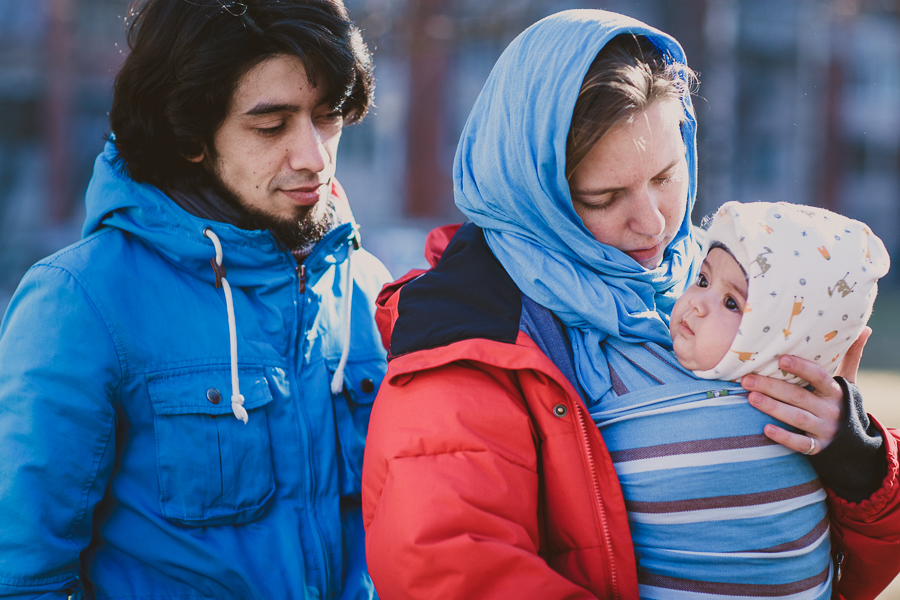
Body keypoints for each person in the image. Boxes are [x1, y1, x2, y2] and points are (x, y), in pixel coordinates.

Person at [361, 9, 900, 600]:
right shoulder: (467, 337)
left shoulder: (727, 276)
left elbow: (825, 554)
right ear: (532, 191)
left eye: (667, 176)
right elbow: (453, 572)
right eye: (605, 196)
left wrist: (859, 461)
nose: (652, 225)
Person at [0, 0, 389, 598]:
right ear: (189, 137)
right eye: (271, 126)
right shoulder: (83, 301)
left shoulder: (365, 286)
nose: (314, 157)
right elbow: (21, 576)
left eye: (328, 116)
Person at [589, 200, 890, 596]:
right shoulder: (630, 362)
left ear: (787, 339)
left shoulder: (809, 418)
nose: (697, 301)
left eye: (732, 302)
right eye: (702, 279)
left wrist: (854, 448)